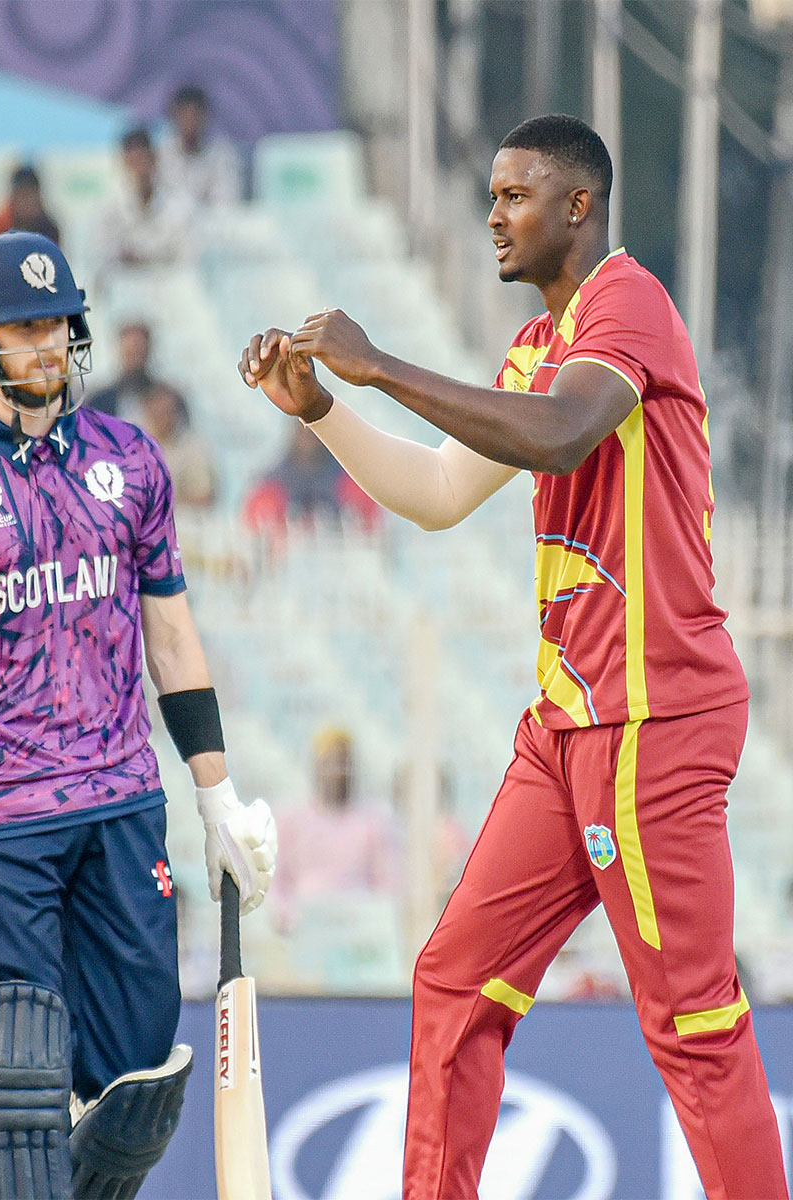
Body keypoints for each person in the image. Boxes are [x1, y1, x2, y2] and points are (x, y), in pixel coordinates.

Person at [243, 113, 785, 1199]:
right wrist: (324, 412)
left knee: (692, 1026)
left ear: (577, 207)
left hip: (650, 721)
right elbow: (442, 494)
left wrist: (380, 362)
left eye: (514, 195)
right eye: (490, 194)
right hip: (566, 730)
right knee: (454, 981)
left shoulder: (626, 303)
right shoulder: (539, 344)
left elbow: (556, 437)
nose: (491, 215)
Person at [0, 231, 277, 1197]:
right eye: (21, 328)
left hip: (122, 804)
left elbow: (175, 641)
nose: (44, 346)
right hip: (3, 818)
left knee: (144, 1073)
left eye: (57, 325)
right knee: (19, 1080)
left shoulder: (132, 461)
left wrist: (218, 796)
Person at [266, 727, 401, 932]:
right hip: (305, 929)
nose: (338, 771)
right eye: (330, 762)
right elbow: (276, 884)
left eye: (344, 763)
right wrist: (289, 918)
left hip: (358, 929)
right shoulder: (292, 821)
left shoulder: (373, 821)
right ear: (316, 767)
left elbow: (388, 886)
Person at [241, 420, 379, 534]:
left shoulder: (354, 483)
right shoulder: (269, 489)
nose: (308, 434)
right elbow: (254, 531)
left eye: (314, 428)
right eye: (302, 426)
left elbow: (373, 532)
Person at [94, 128, 191, 277]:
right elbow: (103, 258)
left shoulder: (177, 205)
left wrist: (146, 258)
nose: (139, 170)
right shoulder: (108, 208)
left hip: (168, 286)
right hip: (123, 288)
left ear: (154, 160)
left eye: (143, 160)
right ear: (124, 162)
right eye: (134, 162)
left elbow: (185, 258)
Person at [158, 84, 241, 210]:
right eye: (185, 115)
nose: (190, 122)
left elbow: (227, 201)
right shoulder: (161, 154)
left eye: (195, 115)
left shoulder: (222, 154)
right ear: (174, 116)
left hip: (211, 225)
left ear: (205, 116)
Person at [137, 381, 216, 510]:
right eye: (157, 414)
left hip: (182, 522)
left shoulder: (192, 446)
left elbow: (206, 497)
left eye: (167, 412)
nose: (162, 419)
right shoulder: (132, 443)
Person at [0, 162, 62, 249]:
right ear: (12, 197)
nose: (26, 202)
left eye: (30, 195)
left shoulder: (49, 230)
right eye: (22, 195)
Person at [87, 321, 159, 421]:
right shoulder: (100, 402)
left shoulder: (168, 401)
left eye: (138, 352)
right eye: (130, 353)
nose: (134, 359)